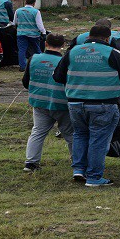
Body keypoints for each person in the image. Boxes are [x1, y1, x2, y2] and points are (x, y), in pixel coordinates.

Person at [53, 25, 120, 187]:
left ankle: (79, 169)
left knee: (80, 135)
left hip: (75, 104)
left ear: (88, 36)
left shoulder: (73, 52)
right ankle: (93, 177)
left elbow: (57, 76)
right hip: (104, 104)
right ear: (107, 39)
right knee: (98, 140)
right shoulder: (113, 53)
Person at [22, 33, 73, 172]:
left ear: (45, 43)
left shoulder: (34, 59)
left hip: (39, 103)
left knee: (37, 132)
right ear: (63, 46)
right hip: (62, 105)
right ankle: (78, 162)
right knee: (71, 135)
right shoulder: (66, 62)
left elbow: (25, 81)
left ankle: (31, 163)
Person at [14, 0, 46, 72]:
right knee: (37, 49)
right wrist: (43, 32)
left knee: (22, 50)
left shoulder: (18, 11)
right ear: (34, 3)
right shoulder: (36, 11)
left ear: (25, 2)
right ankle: (41, 64)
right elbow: (39, 24)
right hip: (33, 34)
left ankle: (22, 67)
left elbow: (14, 22)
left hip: (21, 34)